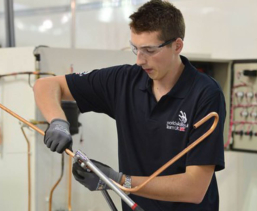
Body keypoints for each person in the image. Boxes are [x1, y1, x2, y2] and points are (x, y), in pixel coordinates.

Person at [33, 0, 226, 210]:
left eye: (149, 50)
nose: (140, 60)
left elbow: (194, 188)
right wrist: (58, 121)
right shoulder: (125, 81)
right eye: (136, 49)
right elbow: (46, 85)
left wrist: (118, 180)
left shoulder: (205, 94)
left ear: (177, 46)